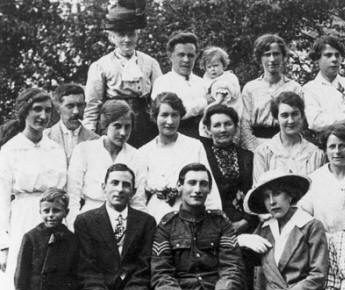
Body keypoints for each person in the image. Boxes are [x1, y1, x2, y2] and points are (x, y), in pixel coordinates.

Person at [0, 88, 67, 290]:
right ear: (24, 111)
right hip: (22, 219)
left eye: (47, 111)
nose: (42, 116)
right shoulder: (10, 150)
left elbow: (64, 192)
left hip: (52, 221)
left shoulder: (55, 148)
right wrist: (3, 242)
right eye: (36, 110)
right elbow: (1, 199)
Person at [84, 0, 161, 148]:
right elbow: (93, 105)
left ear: (137, 35)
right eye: (121, 35)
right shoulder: (100, 66)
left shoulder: (150, 63)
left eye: (131, 34)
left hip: (145, 126)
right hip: (114, 123)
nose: (127, 39)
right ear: (112, 37)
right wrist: (90, 137)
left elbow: (159, 100)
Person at [139, 92, 221, 222]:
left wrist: (215, 219)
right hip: (155, 216)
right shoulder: (144, 152)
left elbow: (208, 186)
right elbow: (139, 197)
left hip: (191, 215)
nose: (170, 121)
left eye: (175, 115)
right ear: (155, 117)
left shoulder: (194, 146)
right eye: (164, 115)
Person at [68, 99, 147, 227]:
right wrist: (74, 227)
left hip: (123, 222)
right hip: (89, 220)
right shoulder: (84, 150)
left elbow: (138, 200)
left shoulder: (137, 156)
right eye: (117, 126)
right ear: (105, 124)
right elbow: (73, 195)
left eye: (128, 127)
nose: (123, 133)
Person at [303, 36, 345, 170]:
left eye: (337, 55)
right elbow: (316, 122)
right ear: (317, 60)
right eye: (328, 55)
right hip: (327, 151)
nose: (334, 59)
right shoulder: (310, 89)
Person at [299, 126, 345, 232]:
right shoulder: (315, 179)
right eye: (332, 146)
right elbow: (304, 213)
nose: (337, 151)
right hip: (323, 240)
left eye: (342, 146)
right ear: (325, 150)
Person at [200, 104, 256, 234]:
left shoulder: (248, 157)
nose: (223, 129)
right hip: (211, 224)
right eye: (217, 125)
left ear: (236, 127)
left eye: (228, 124)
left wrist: (245, 222)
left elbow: (255, 192)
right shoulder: (202, 157)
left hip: (247, 223)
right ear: (208, 130)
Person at [240, 34, 302, 151]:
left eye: (276, 54)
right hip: (256, 145)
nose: (272, 59)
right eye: (267, 55)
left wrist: (286, 148)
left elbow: (299, 122)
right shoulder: (250, 88)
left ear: (283, 56)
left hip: (286, 146)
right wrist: (255, 150)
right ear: (260, 58)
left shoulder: (294, 88)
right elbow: (244, 125)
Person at [253, 91, 324, 184]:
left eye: (295, 114)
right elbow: (259, 192)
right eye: (284, 115)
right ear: (276, 119)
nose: (290, 121)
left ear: (302, 116)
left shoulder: (316, 154)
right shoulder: (263, 152)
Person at [151, 32, 207, 139]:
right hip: (175, 138)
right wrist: (203, 103)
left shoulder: (202, 82)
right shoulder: (163, 82)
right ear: (170, 56)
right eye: (181, 55)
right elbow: (175, 114)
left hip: (204, 139)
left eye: (190, 55)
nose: (186, 60)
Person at [45, 83, 99, 164]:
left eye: (80, 106)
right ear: (58, 108)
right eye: (70, 106)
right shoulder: (45, 138)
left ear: (85, 106)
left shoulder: (95, 141)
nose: (76, 112)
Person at [200, 46, 242, 117]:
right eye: (209, 67)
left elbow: (219, 100)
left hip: (230, 112)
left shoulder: (227, 78)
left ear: (223, 65)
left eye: (215, 66)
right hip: (217, 113)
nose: (212, 69)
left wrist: (206, 109)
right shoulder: (207, 78)